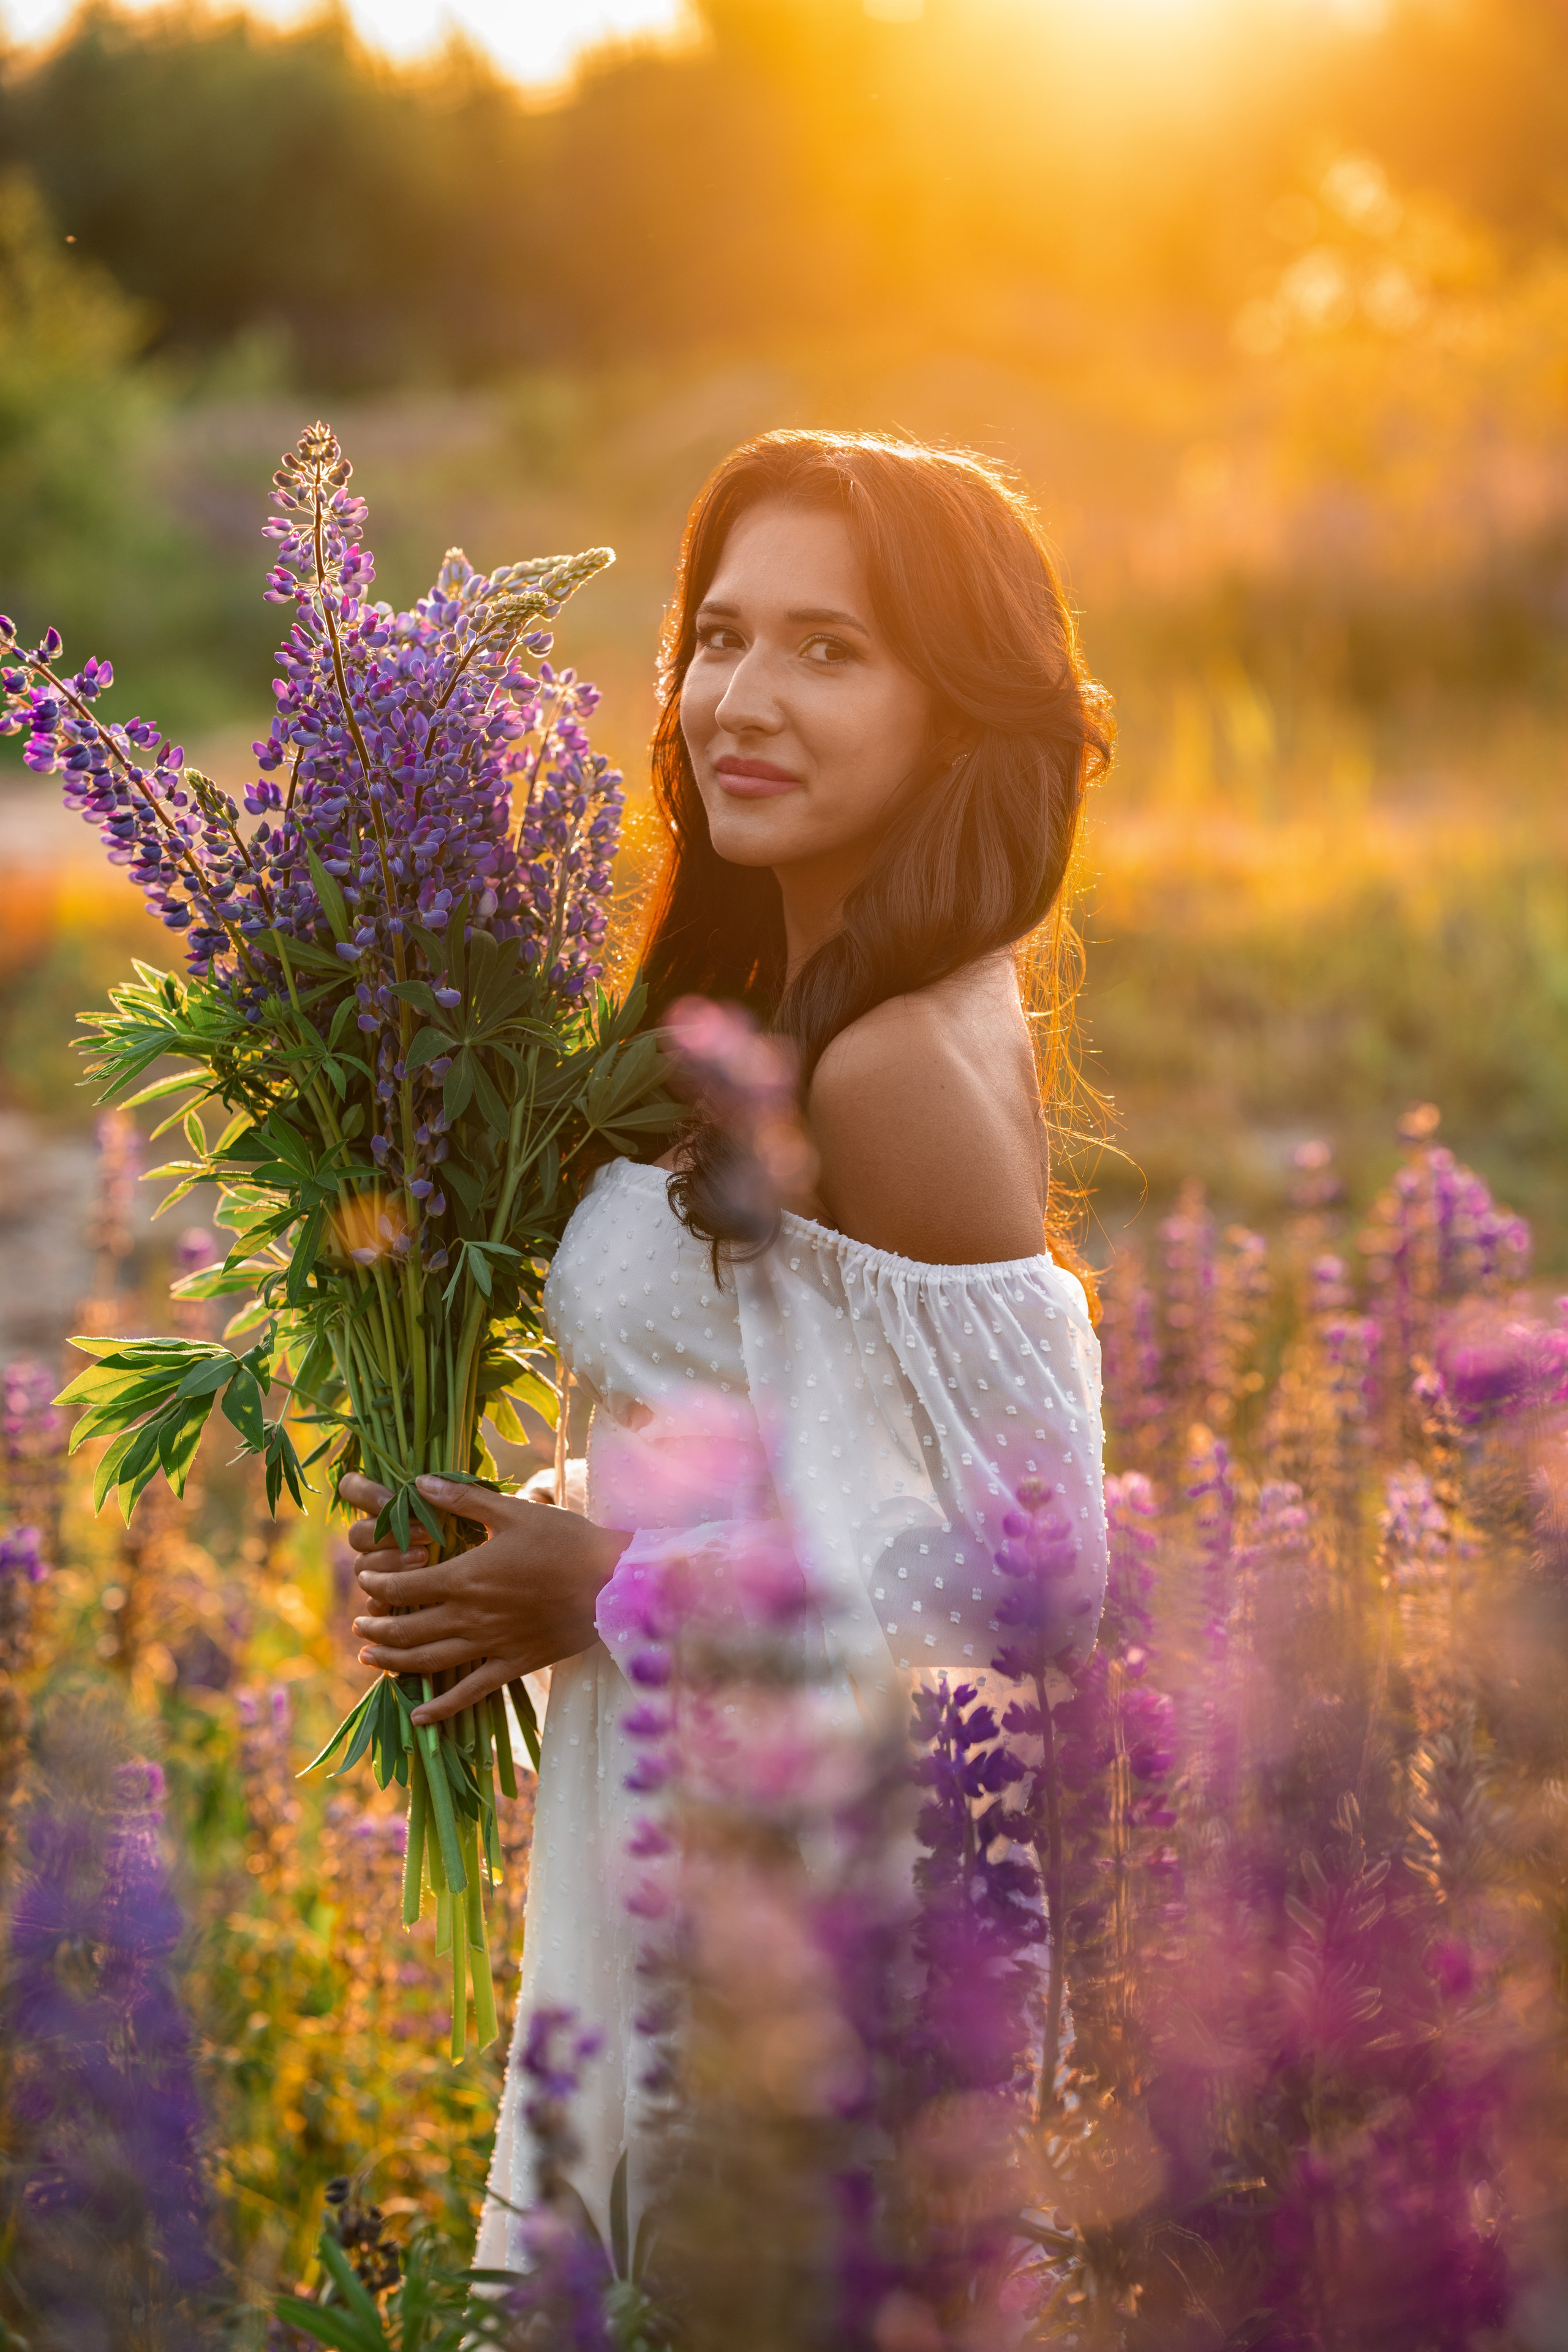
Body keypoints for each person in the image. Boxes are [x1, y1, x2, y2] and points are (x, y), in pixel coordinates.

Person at [339, 430, 1114, 2260]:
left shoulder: (887, 1063)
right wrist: (500, 1535)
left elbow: (1032, 1591)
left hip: (817, 1950)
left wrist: (607, 1589)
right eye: (723, 635)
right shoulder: (792, 1000)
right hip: (694, 1843)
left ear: (960, 710)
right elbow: (798, 1446)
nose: (739, 703)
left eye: (832, 652)